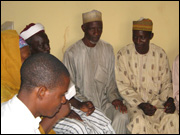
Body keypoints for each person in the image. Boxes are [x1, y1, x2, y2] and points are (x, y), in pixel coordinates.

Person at [20, 23, 115, 134]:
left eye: (48, 43)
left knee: (101, 120)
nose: (48, 48)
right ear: (30, 49)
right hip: (47, 114)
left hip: (66, 105)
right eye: (42, 45)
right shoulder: (27, 72)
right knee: (79, 128)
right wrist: (65, 112)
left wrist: (80, 105)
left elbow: (68, 94)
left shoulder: (53, 63)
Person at [63, 9, 129, 134]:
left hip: (105, 104)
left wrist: (114, 98)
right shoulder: (71, 53)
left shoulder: (108, 49)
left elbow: (111, 82)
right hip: (84, 107)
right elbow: (69, 88)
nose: (96, 32)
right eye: (92, 29)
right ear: (83, 28)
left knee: (122, 116)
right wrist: (82, 103)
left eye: (100, 28)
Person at [115, 17, 179, 134]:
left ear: (151, 36)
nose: (138, 41)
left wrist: (169, 100)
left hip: (157, 103)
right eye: (135, 36)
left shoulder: (160, 55)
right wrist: (141, 104)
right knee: (139, 122)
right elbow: (123, 85)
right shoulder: (123, 55)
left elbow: (166, 82)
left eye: (142, 37)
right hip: (135, 104)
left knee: (173, 119)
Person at [1, 53, 71, 133]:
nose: (64, 100)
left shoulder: (9, 111)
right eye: (61, 95)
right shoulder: (18, 129)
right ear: (42, 92)